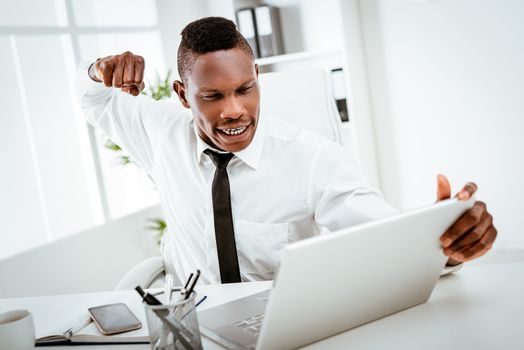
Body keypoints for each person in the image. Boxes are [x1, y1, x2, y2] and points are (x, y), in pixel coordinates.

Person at [77, 17, 497, 284]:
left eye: (245, 89)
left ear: (258, 76)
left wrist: (445, 245)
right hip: (195, 324)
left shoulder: (313, 159)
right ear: (184, 96)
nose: (234, 110)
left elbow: (384, 238)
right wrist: (99, 70)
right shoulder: (160, 132)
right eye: (212, 96)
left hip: (281, 327)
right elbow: (91, 98)